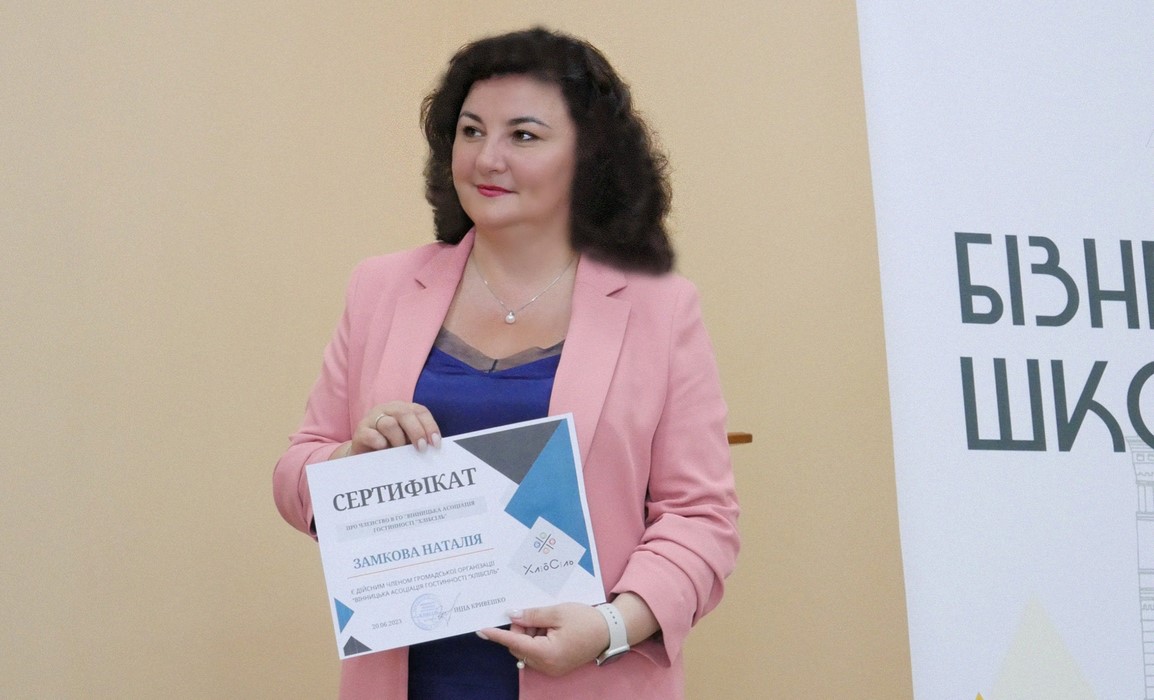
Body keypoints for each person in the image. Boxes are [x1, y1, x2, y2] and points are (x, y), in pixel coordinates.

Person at [273, 27, 740, 700]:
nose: (487, 158)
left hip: (587, 680)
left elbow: (700, 519)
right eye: (471, 131)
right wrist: (349, 461)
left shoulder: (660, 308)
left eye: (523, 135)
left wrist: (610, 626)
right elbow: (296, 472)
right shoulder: (380, 288)